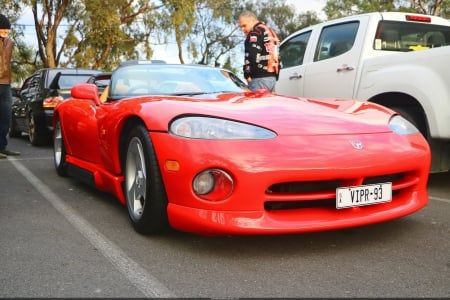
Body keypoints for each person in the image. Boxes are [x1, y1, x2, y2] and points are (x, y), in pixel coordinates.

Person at [238, 11, 280, 92]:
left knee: (255, 104)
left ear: (252, 20)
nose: (242, 29)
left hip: (259, 79)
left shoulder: (255, 32)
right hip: (272, 77)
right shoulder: (270, 31)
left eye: (244, 25)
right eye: (241, 27)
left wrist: (247, 75)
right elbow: (277, 55)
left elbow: (252, 55)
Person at [0, 14, 20, 158]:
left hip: (6, 83)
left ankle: (2, 147)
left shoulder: (9, 43)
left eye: (7, 29)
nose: (6, 31)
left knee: (6, 116)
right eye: (3, 28)